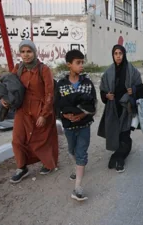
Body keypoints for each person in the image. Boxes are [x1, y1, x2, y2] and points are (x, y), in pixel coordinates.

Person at [1, 39, 58, 184]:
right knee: (17, 139)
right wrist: (4, 99)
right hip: (22, 110)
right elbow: (10, 87)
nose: (26, 55)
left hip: (40, 109)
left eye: (29, 51)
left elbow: (49, 94)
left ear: (34, 52)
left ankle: (47, 163)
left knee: (41, 139)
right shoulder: (18, 68)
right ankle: (21, 168)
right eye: (23, 52)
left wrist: (45, 114)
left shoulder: (43, 69)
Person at [55, 50, 97, 201]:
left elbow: (94, 106)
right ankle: (77, 166)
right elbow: (57, 106)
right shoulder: (61, 85)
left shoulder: (87, 83)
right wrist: (64, 115)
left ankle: (78, 187)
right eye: (78, 63)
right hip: (69, 127)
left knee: (81, 152)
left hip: (85, 125)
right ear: (69, 65)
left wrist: (82, 115)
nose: (81, 66)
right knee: (72, 149)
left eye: (82, 62)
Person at [98, 45, 143, 173]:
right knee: (116, 134)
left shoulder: (132, 70)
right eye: (116, 53)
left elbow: (140, 87)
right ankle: (121, 151)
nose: (118, 56)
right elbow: (102, 90)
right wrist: (106, 96)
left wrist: (133, 90)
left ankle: (119, 159)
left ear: (124, 55)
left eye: (120, 53)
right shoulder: (108, 72)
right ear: (113, 55)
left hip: (127, 108)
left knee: (124, 134)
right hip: (113, 108)